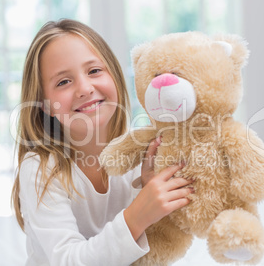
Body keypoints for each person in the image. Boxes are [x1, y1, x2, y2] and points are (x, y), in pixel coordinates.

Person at [11, 19, 194, 266]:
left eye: (94, 71)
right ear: (45, 105)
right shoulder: (41, 167)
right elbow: (67, 260)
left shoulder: (139, 153)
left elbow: (149, 249)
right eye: (63, 82)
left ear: (115, 77)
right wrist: (137, 214)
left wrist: (149, 195)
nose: (85, 88)